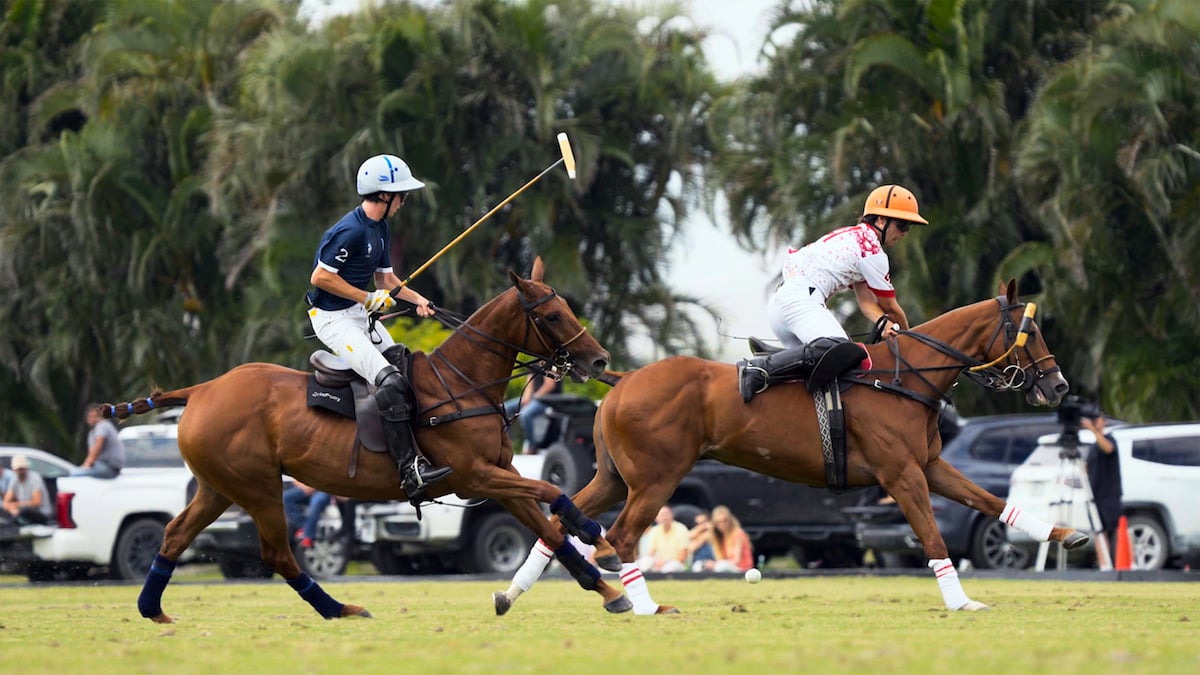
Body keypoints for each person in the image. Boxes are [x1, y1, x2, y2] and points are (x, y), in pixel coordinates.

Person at [306, 153, 451, 502]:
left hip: (358, 313)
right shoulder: (350, 230)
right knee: (388, 380)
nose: (404, 201)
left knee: (405, 365)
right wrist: (366, 298)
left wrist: (415, 299)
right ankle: (408, 470)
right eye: (402, 194)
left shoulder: (381, 227)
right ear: (384, 196)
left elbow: (385, 278)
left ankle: (416, 450)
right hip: (333, 319)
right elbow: (321, 277)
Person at [738, 184, 928, 401]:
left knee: (824, 376)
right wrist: (911, 343)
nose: (904, 233)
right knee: (841, 350)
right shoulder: (872, 252)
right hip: (800, 303)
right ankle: (760, 367)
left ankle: (776, 359)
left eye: (909, 227)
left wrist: (884, 323)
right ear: (881, 220)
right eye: (902, 225)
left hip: (782, 307)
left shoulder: (858, 240)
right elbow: (890, 306)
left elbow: (867, 303)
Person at [1082, 412, 1122, 561]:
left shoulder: (1110, 439)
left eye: (1095, 420)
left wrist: (1092, 430)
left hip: (1110, 493)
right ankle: (1104, 564)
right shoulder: (1093, 447)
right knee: (1099, 531)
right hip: (1095, 494)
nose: (1093, 422)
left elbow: (1108, 448)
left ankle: (1120, 561)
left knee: (1115, 528)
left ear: (1103, 421)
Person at [72, 403, 126, 478]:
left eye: (95, 416)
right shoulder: (92, 432)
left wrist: (87, 465)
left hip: (109, 466)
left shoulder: (103, 425)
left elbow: (98, 446)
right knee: (76, 471)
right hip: (100, 465)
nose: (93, 419)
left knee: (74, 475)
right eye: (90, 417)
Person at [517, 366, 563, 453]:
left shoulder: (551, 365)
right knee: (505, 409)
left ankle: (532, 445)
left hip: (548, 400)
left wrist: (534, 398)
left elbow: (549, 385)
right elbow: (529, 385)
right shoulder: (534, 365)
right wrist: (526, 398)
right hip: (534, 399)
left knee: (525, 415)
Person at [636, 505, 691, 573]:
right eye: (661, 515)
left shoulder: (681, 529)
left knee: (668, 568)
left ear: (672, 515)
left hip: (676, 563)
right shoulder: (654, 530)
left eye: (666, 514)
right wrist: (655, 562)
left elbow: (682, 557)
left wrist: (664, 562)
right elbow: (651, 553)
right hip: (658, 562)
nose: (664, 517)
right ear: (656, 517)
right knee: (644, 562)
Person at [2, 454, 53, 525]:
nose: (20, 471)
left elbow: (36, 502)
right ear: (14, 469)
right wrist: (13, 509)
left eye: (22, 468)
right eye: (18, 468)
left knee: (25, 510)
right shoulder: (14, 479)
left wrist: (16, 505)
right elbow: (6, 501)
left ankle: (10, 524)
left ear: (26, 467)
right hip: (23, 512)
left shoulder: (34, 478)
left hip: (41, 513)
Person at [282, 480, 333, 549]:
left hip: (322, 490)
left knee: (316, 503)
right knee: (286, 498)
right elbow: (295, 478)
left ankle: (308, 535)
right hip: (305, 487)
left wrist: (312, 488)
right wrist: (304, 487)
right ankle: (304, 526)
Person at [708, 505, 754, 573]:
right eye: (719, 522)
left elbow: (736, 560)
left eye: (725, 521)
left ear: (730, 520)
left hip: (742, 569)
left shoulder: (738, 533)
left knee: (721, 565)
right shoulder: (720, 537)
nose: (722, 524)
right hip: (728, 567)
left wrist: (716, 564)